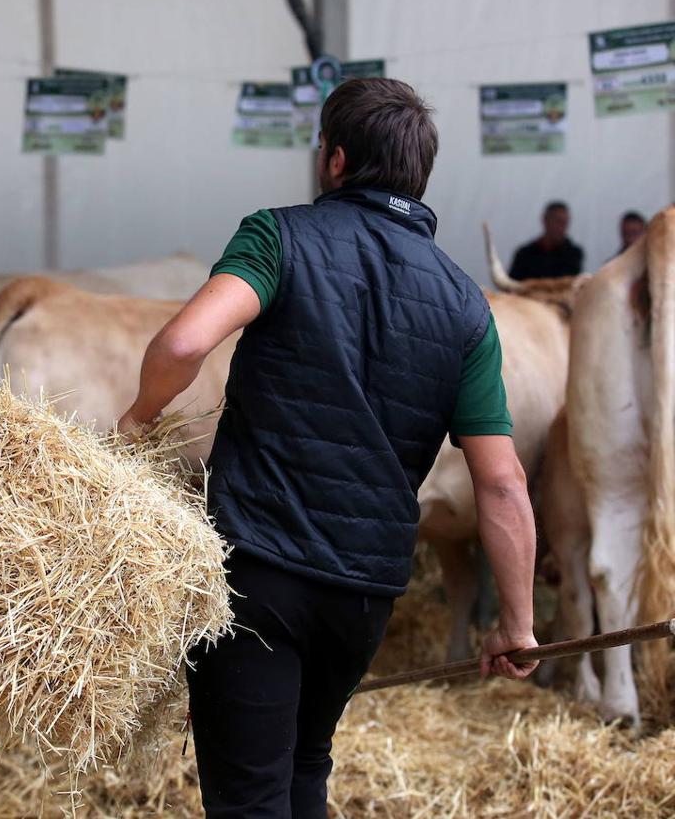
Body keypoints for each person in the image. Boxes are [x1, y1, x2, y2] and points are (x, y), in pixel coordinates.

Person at [117, 78, 538, 818]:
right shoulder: (466, 304)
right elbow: (501, 484)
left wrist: (138, 418)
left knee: (250, 795)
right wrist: (519, 622)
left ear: (336, 160)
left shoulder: (279, 236)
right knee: (304, 769)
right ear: (419, 176)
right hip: (365, 592)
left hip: (259, 571)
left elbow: (185, 341)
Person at [509, 201, 583, 279]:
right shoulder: (524, 254)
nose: (562, 227)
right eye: (558, 222)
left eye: (565, 223)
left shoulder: (573, 254)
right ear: (545, 221)